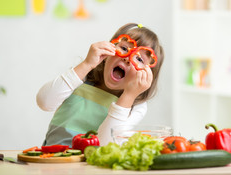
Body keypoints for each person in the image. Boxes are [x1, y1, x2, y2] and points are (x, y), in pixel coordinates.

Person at [36, 23, 164, 146]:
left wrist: (129, 96)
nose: (127, 58)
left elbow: (106, 144)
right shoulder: (82, 76)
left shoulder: (136, 106)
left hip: (90, 167)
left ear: (147, 75)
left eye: (139, 59)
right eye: (124, 48)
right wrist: (86, 64)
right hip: (51, 158)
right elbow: (44, 102)